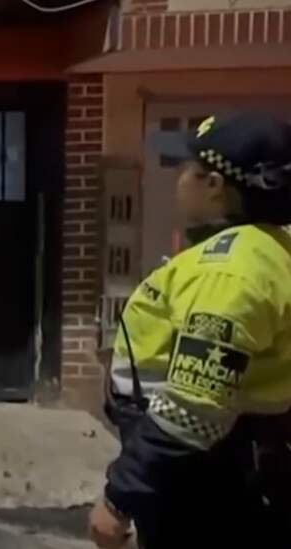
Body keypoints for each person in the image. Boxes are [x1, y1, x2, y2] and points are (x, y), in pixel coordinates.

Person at [89, 112, 291, 549]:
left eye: (187, 168)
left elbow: (194, 410)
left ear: (215, 185)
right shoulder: (268, 249)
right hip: (227, 468)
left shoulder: (232, 272)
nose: (179, 178)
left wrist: (120, 496)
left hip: (205, 481)